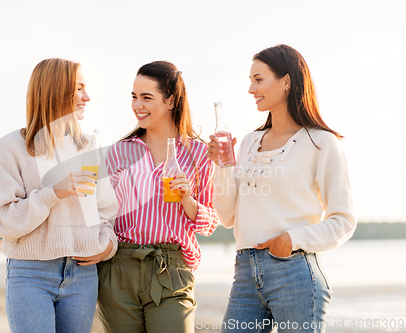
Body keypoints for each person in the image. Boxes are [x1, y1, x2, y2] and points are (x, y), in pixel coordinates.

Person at [208, 45, 356, 333]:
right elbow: (227, 217)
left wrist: (291, 239)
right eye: (250, 80)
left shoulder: (322, 144)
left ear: (286, 81)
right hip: (245, 273)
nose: (251, 89)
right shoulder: (250, 142)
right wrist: (222, 166)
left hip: (295, 273)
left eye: (259, 79)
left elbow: (343, 221)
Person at [0, 58, 118, 333]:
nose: (87, 97)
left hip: (82, 276)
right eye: (79, 88)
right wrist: (53, 192)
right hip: (30, 274)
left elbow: (107, 214)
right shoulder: (12, 147)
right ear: (55, 91)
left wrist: (107, 247)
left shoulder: (89, 149)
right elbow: (3, 221)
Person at [98, 61, 220, 333]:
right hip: (118, 268)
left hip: (172, 269)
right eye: (134, 97)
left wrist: (188, 200)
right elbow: (101, 213)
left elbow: (210, 224)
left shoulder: (199, 155)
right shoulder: (118, 152)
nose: (137, 105)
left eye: (146, 97)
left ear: (170, 101)